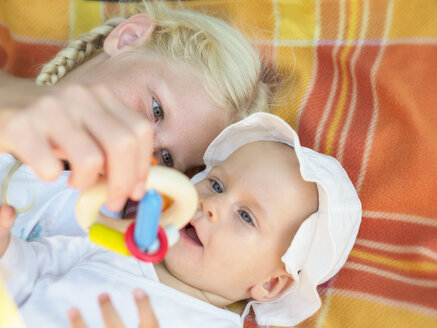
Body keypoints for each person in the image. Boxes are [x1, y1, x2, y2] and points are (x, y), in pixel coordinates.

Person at [0, 112, 362, 327]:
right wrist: (7, 251)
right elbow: (27, 275)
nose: (212, 205)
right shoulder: (109, 246)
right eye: (216, 184)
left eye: (246, 216)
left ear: (270, 285)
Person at [0, 0, 271, 215]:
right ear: (128, 38)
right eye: (157, 110)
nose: (145, 145)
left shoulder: (106, 222)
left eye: (167, 158)